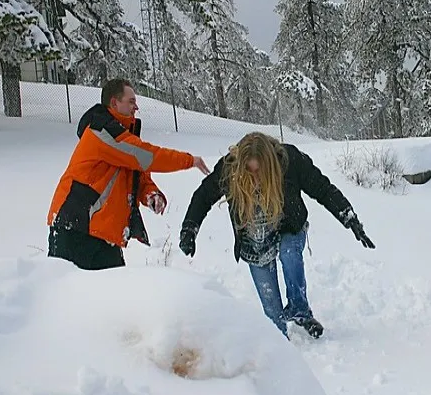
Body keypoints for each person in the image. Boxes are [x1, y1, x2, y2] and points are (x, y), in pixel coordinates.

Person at [178, 132, 375, 339]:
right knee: (272, 313)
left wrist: (349, 218)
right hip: (253, 239)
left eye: (259, 170)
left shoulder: (289, 161)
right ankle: (281, 342)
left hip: (289, 226)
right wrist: (189, 229)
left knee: (290, 254)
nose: (255, 176)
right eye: (249, 170)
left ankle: (300, 312)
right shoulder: (230, 168)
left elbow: (322, 189)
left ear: (270, 164)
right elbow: (203, 196)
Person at [47, 78, 210, 270]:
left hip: (103, 234)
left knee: (115, 296)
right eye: (131, 101)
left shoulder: (121, 135)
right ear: (115, 103)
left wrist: (151, 194)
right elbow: (147, 157)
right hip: (76, 228)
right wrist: (190, 160)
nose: (136, 107)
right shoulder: (101, 131)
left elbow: (137, 174)